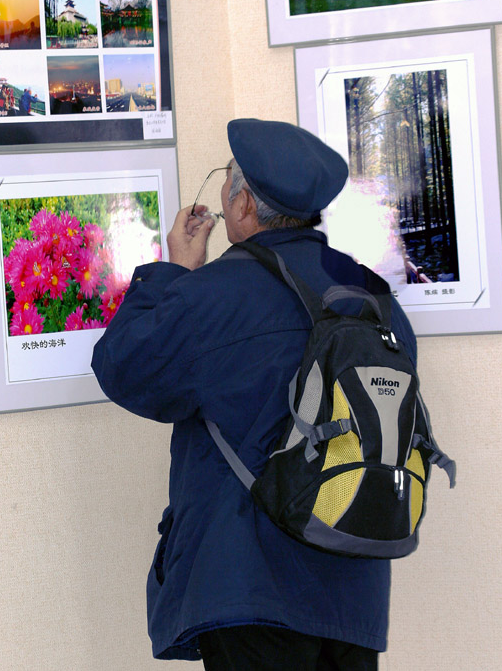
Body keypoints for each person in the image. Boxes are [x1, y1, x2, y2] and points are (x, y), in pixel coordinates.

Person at [92, 119, 417, 670]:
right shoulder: (374, 297)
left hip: (250, 589)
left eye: (226, 181)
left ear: (243, 206)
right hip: (355, 583)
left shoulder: (213, 294)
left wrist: (170, 272)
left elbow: (124, 368)